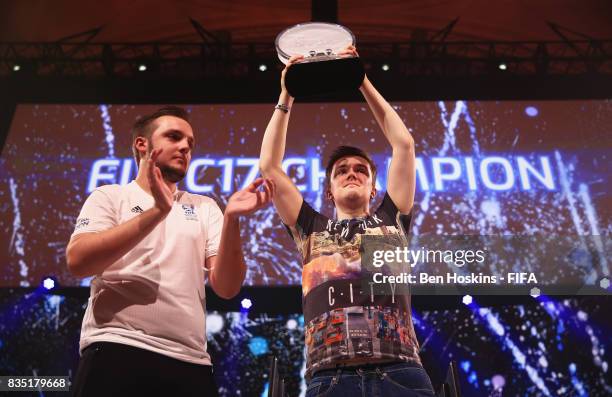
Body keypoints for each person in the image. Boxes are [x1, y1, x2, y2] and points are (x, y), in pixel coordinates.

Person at [259, 47, 435, 396]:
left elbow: (404, 145)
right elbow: (269, 167)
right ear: (329, 189)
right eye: (342, 171)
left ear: (373, 188)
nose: (351, 174)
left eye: (361, 170)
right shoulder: (311, 229)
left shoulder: (392, 219)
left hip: (401, 373)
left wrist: (362, 82)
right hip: (330, 378)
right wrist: (287, 95)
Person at [66, 106, 274, 397]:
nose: (185, 147)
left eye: (190, 143)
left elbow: (226, 288)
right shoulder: (111, 196)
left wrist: (232, 219)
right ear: (142, 144)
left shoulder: (204, 207)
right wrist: (156, 212)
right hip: (117, 346)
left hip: (189, 360)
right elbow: (79, 261)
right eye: (174, 137)